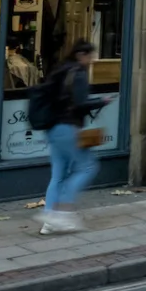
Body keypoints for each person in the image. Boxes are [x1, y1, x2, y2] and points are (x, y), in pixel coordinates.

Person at [37, 42, 103, 234]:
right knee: (88, 166)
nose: (92, 60)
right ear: (81, 55)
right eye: (90, 56)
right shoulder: (79, 73)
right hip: (69, 127)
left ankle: (48, 219)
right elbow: (80, 104)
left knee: (58, 175)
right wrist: (101, 101)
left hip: (53, 128)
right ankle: (63, 212)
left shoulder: (59, 70)